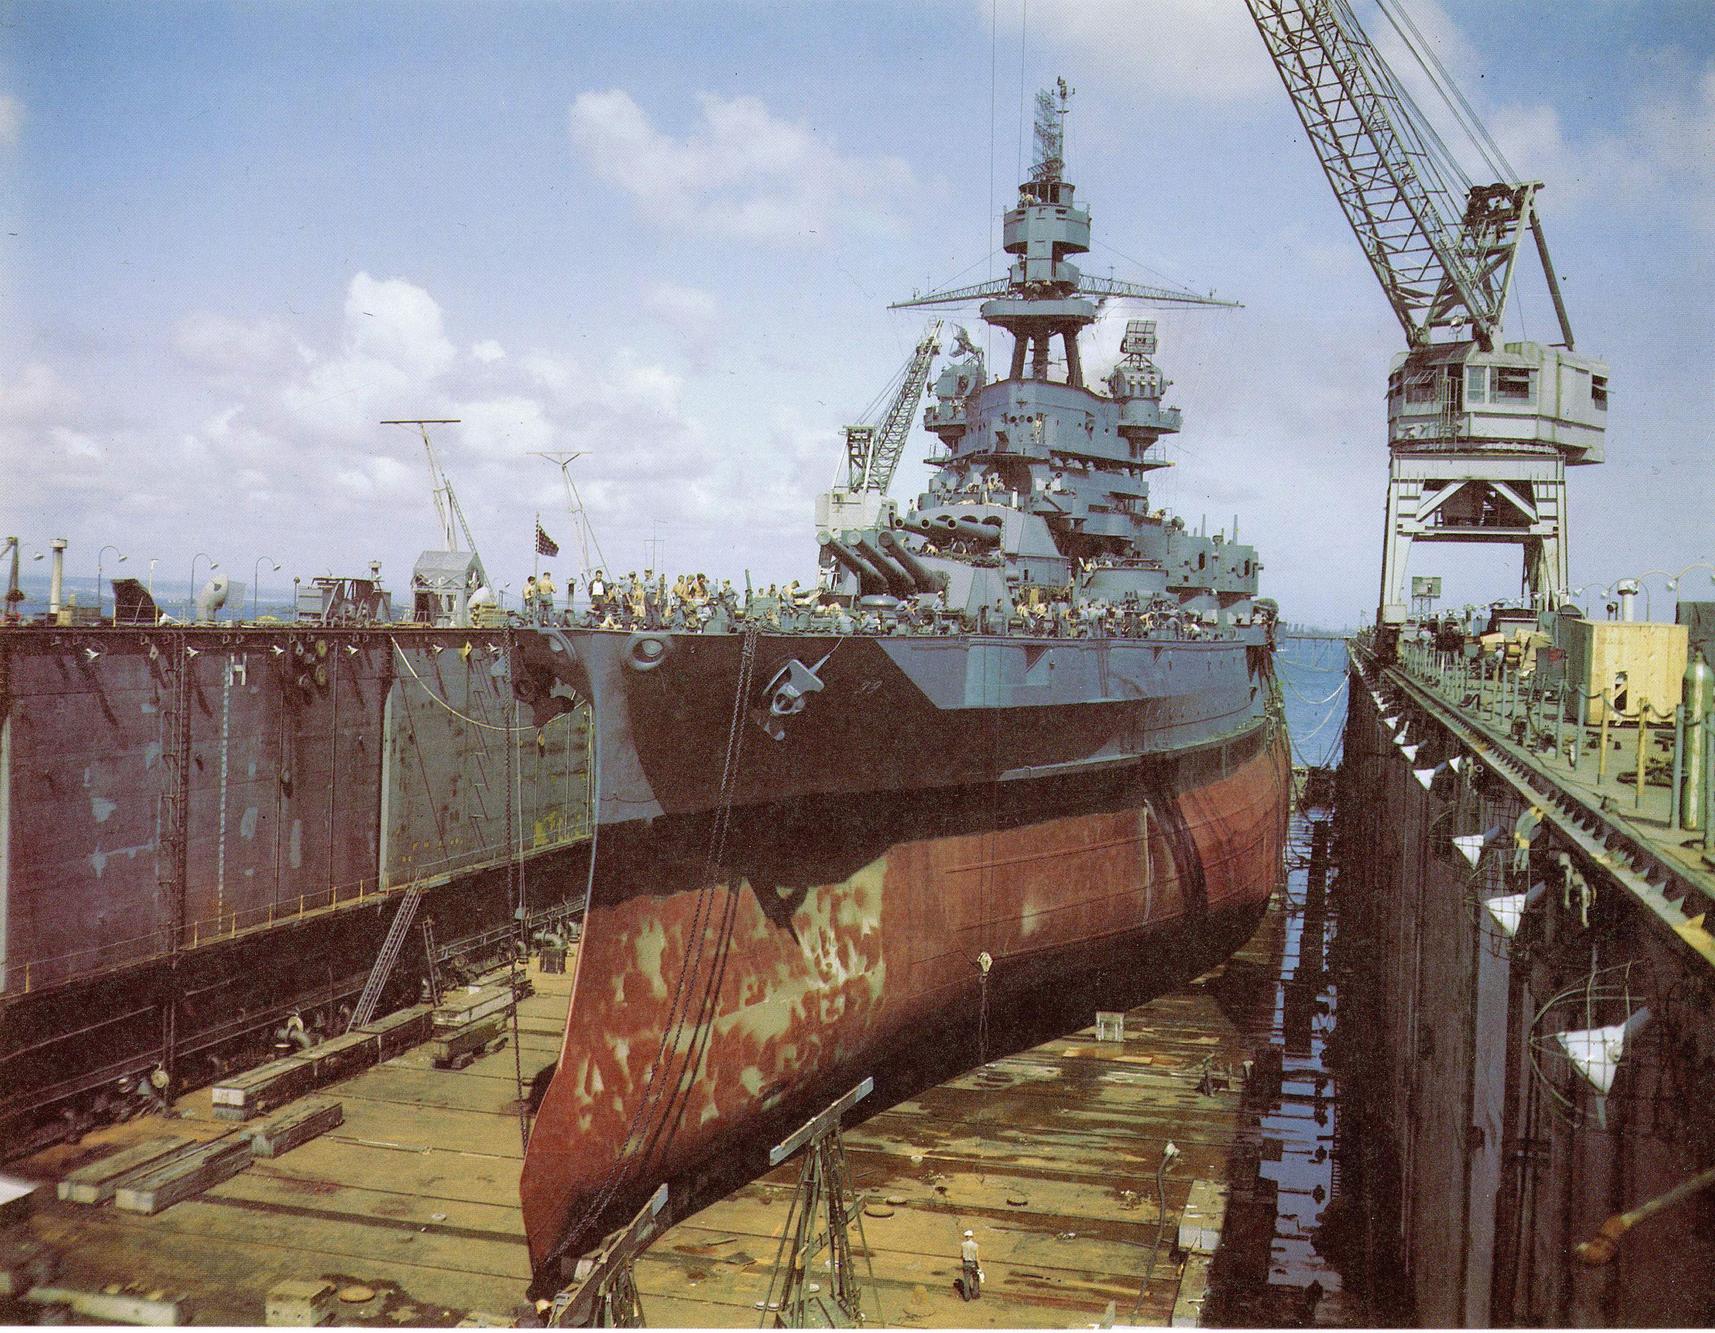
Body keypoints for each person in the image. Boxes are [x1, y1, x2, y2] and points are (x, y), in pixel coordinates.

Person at [960, 1230, 981, 1301]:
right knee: (975, 1279)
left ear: (966, 1237)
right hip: (973, 1264)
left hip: (966, 1263)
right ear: (972, 1236)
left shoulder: (963, 1244)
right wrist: (980, 1267)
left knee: (966, 1280)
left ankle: (966, 1297)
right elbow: (977, 1257)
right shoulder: (975, 1245)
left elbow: (961, 1255)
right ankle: (975, 1294)